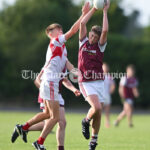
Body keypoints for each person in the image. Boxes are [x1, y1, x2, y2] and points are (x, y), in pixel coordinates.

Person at [11, 3, 90, 150]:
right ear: (50, 33)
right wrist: (84, 13)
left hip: (50, 82)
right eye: (56, 29)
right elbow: (74, 30)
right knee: (55, 117)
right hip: (50, 82)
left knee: (48, 114)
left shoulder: (62, 49)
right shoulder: (55, 41)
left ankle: (23, 127)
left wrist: (82, 76)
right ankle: (39, 142)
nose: (60, 30)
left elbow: (70, 67)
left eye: (60, 28)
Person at [11, 61, 81, 150]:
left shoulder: (62, 64)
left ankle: (24, 128)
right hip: (48, 94)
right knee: (51, 120)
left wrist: (74, 89)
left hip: (57, 95)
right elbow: (37, 79)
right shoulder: (50, 64)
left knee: (60, 122)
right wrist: (45, 89)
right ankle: (27, 132)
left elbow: (65, 80)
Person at [77, 1, 110, 150]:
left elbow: (104, 32)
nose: (92, 38)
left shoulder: (100, 46)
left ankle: (93, 142)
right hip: (86, 82)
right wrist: (95, 8)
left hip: (99, 82)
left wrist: (105, 12)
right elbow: (83, 23)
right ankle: (85, 121)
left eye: (94, 38)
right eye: (91, 35)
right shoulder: (83, 42)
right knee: (96, 107)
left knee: (99, 113)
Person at [103, 63, 115, 128]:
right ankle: (91, 121)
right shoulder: (98, 76)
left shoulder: (110, 77)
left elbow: (113, 85)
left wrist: (111, 90)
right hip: (100, 95)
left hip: (107, 95)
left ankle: (107, 123)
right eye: (103, 67)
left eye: (106, 67)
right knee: (96, 110)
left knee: (107, 111)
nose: (105, 68)